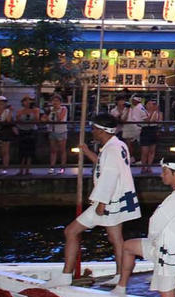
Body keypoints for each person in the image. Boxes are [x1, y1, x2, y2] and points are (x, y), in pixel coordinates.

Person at [50, 113, 141, 287]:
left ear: (101, 131)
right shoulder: (118, 145)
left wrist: (102, 202)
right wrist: (86, 152)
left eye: (94, 129)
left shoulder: (112, 149)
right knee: (116, 239)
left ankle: (66, 275)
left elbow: (110, 176)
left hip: (109, 202)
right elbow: (103, 164)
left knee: (71, 231)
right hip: (117, 201)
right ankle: (119, 273)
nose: (92, 132)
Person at [113, 160, 175, 297]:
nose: (161, 175)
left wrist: (153, 240)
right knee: (127, 246)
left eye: (164, 172)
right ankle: (120, 287)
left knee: (167, 295)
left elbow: (155, 223)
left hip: (169, 254)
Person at [15, 96, 41, 175]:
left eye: (29, 100)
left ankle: (28, 169)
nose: (27, 102)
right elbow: (17, 120)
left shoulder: (35, 110)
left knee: (30, 151)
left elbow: (36, 120)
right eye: (25, 101)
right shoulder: (20, 111)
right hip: (22, 131)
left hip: (31, 131)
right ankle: (21, 169)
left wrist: (34, 112)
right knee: (22, 151)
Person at [45, 94, 70, 175]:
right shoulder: (50, 109)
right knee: (53, 150)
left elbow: (60, 118)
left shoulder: (64, 109)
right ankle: (52, 167)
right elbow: (45, 118)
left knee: (62, 150)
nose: (55, 102)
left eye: (57, 101)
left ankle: (62, 167)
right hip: (52, 130)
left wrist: (55, 111)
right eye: (53, 101)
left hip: (61, 131)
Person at [121, 96, 147, 168]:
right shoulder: (135, 108)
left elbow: (145, 118)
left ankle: (134, 159)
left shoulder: (137, 108)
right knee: (131, 144)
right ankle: (133, 159)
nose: (132, 102)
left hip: (132, 126)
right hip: (133, 126)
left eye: (133, 100)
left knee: (131, 144)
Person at [138, 98, 162, 171]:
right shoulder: (142, 111)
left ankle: (149, 166)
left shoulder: (157, 112)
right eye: (149, 104)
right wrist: (152, 112)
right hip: (146, 130)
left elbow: (159, 121)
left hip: (153, 130)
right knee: (144, 151)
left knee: (152, 150)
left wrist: (157, 112)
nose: (151, 105)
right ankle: (143, 166)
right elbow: (147, 121)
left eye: (152, 104)